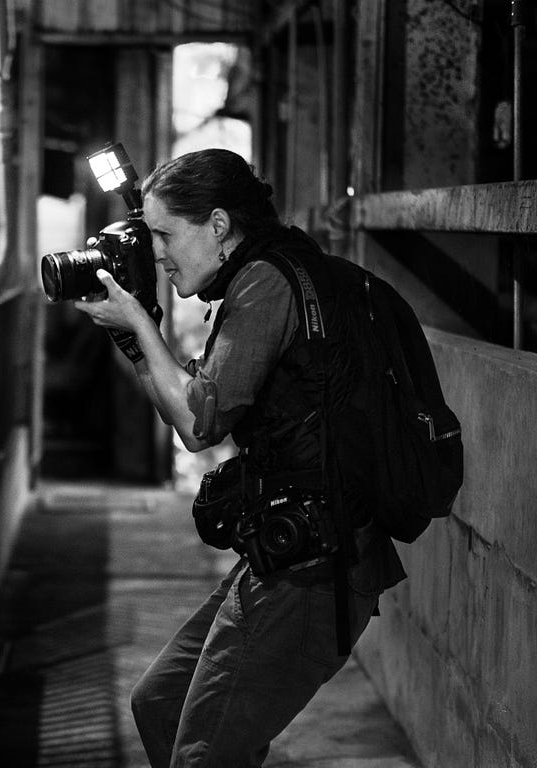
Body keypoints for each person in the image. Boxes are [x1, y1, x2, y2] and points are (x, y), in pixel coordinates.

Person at [71, 148, 406, 767]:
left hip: (314, 564)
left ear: (220, 225)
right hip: (285, 551)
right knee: (162, 705)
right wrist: (136, 331)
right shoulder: (272, 270)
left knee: (202, 754)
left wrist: (143, 329)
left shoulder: (267, 284)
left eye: (167, 235)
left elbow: (198, 427)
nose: (158, 253)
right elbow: (190, 407)